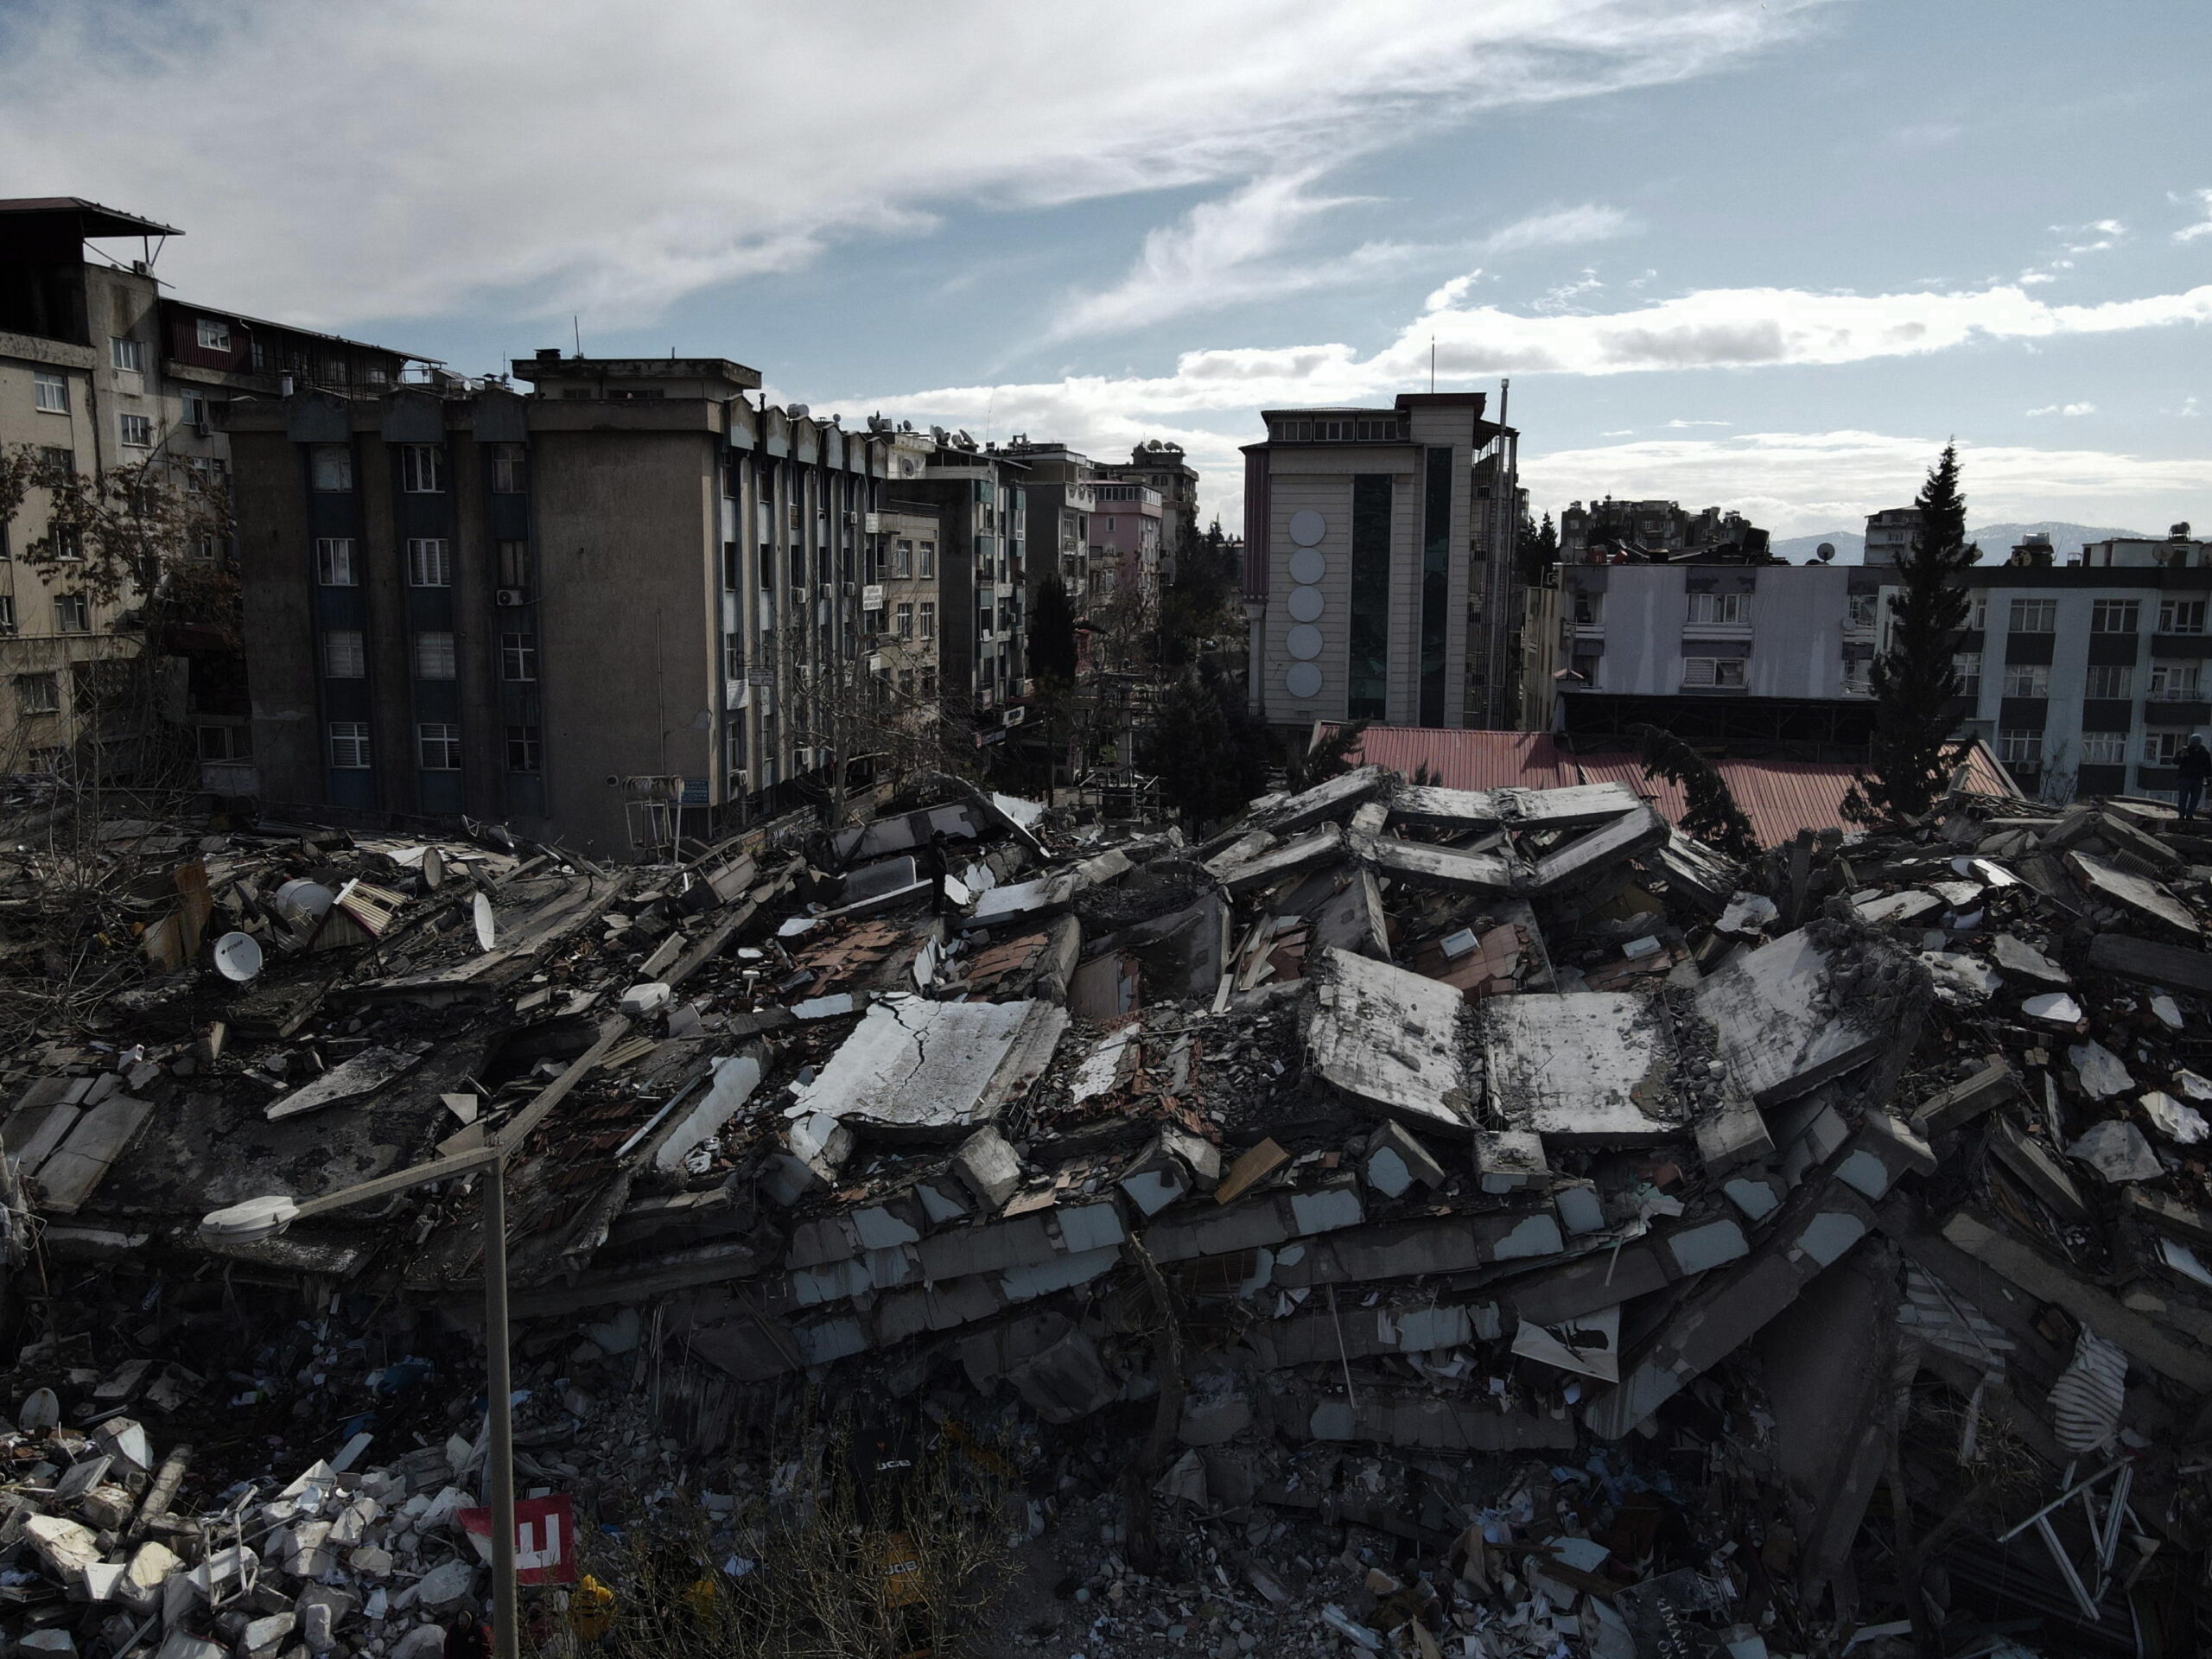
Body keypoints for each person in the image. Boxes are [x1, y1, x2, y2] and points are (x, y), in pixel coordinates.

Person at [2180, 734, 2212, 823]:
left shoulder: (2204, 753)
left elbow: (2208, 767)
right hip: (2185, 778)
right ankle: (2181, 816)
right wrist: (2182, 755)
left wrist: (2209, 778)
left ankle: (2189, 815)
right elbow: (2176, 761)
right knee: (2183, 797)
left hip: (2197, 779)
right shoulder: (2186, 750)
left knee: (2195, 798)